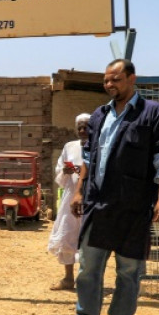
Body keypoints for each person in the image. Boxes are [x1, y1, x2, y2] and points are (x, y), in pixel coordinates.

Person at [60, 59, 159, 315]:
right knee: (88, 268)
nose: (110, 85)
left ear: (132, 78)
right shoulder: (99, 115)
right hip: (98, 205)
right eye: (106, 81)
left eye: (116, 79)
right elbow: (89, 157)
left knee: (129, 272)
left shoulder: (153, 113)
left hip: (134, 208)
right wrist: (79, 191)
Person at [47, 113, 91, 291]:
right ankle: (68, 279)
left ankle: (86, 281)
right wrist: (66, 171)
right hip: (70, 199)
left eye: (86, 127)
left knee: (89, 240)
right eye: (79, 127)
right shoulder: (69, 147)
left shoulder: (99, 146)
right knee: (67, 237)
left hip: (91, 200)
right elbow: (60, 173)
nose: (82, 130)